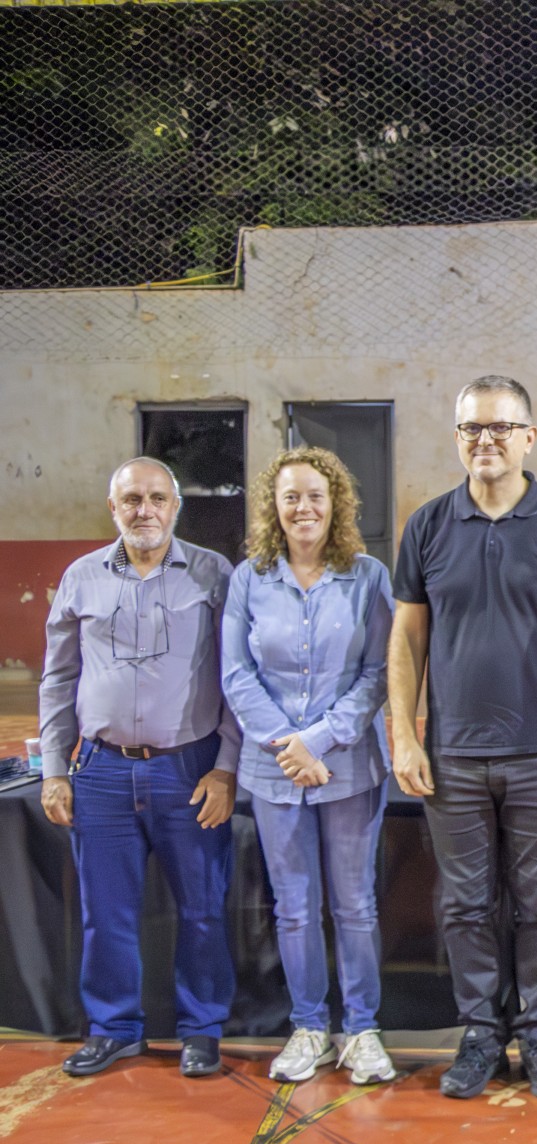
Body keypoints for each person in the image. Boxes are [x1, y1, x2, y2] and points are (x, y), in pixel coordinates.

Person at [389, 375, 537, 1100]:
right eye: (471, 428)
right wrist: (405, 735)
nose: (485, 440)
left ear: (528, 438)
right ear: (457, 438)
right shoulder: (426, 526)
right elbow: (407, 639)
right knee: (465, 904)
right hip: (452, 756)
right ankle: (481, 1031)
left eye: (500, 427)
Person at [40, 457, 240, 1079]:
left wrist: (226, 768)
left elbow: (237, 679)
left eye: (156, 498)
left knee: (202, 909)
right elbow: (58, 678)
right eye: (131, 499)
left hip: (189, 769)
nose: (144, 510)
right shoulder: (81, 578)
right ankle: (115, 1029)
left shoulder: (214, 574)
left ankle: (201, 1029)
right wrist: (54, 768)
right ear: (113, 507)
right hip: (100, 771)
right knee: (106, 914)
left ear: (175, 507)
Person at [220, 447, 397, 1086]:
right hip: (275, 773)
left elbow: (379, 674)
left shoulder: (369, 576)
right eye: (290, 496)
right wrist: (287, 747)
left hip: (349, 767)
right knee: (293, 908)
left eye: (315, 496)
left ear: (335, 504)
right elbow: (236, 674)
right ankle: (310, 1028)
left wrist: (317, 741)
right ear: (274, 506)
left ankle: (362, 1031)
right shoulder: (249, 579)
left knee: (354, 906)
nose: (303, 508)